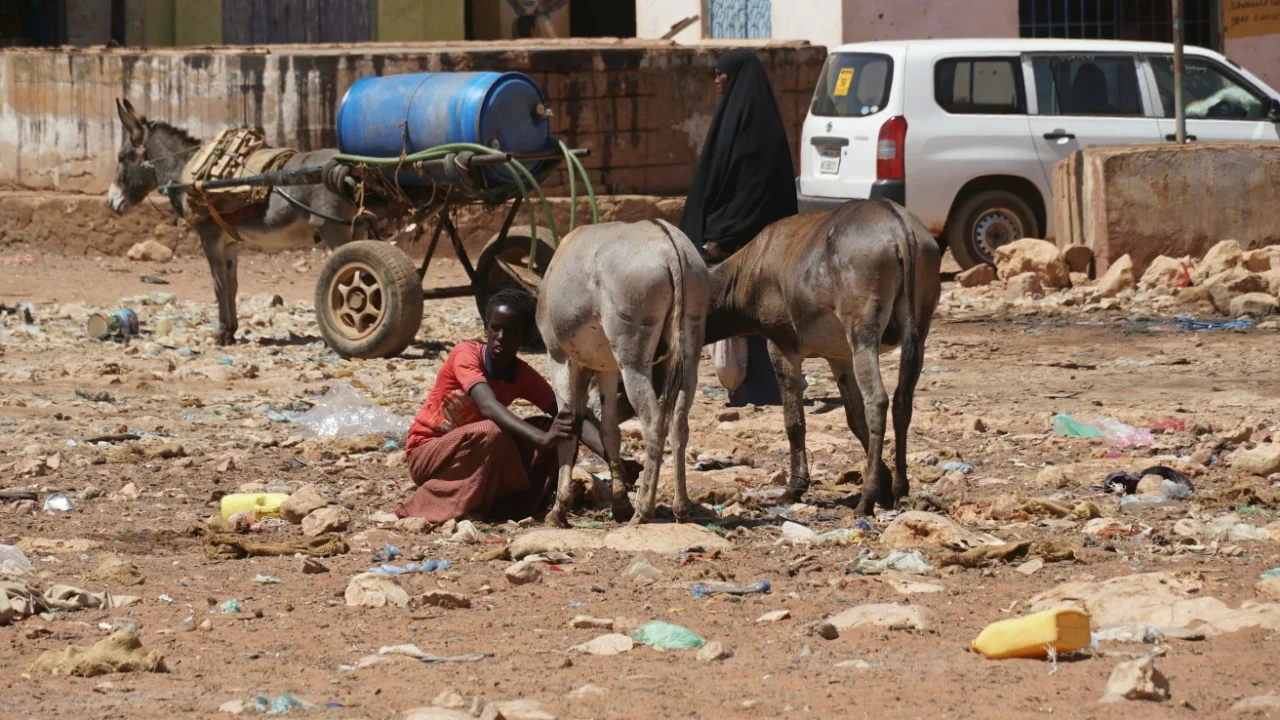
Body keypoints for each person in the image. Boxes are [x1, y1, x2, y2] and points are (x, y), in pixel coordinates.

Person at [394, 288, 606, 523]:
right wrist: (539, 438)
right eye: (495, 328)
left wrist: (614, 460)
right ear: (486, 328)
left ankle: (513, 505)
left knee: (554, 426)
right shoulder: (465, 354)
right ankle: (431, 505)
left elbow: (571, 416)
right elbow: (488, 406)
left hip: (473, 457)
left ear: (526, 336)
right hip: (428, 452)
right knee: (492, 431)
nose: (501, 337)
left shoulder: (521, 374)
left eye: (511, 331)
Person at [680, 48, 799, 407]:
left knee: (757, 314)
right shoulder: (735, 117)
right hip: (736, 236)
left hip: (752, 238)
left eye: (722, 74)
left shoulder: (756, 125)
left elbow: (758, 190)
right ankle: (747, 386)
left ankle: (762, 386)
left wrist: (722, 232)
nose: (717, 80)